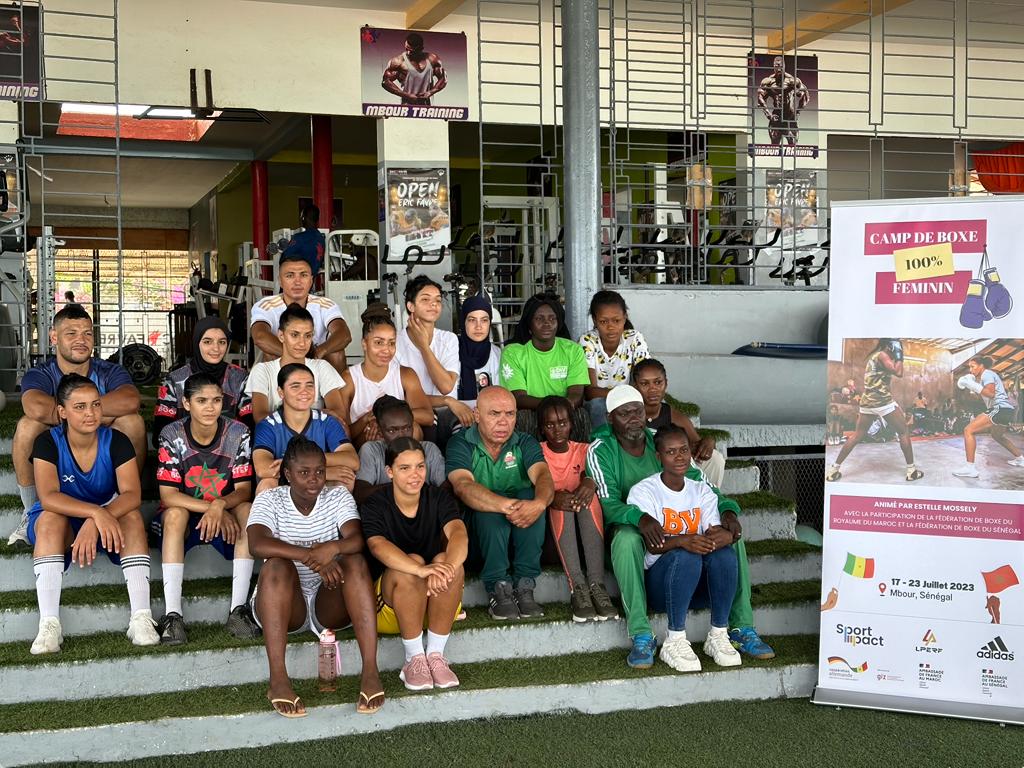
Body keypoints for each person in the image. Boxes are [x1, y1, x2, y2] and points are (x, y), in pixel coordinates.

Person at [586, 385, 774, 668]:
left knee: (731, 537)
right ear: (611, 418)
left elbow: (704, 486)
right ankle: (641, 634)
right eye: (624, 414)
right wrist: (639, 518)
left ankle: (740, 626)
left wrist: (728, 512)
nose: (634, 418)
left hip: (676, 532)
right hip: (633, 529)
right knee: (627, 539)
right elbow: (607, 503)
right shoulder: (601, 450)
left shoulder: (662, 441)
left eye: (638, 411)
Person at [247, 437, 383, 717]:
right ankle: (278, 680)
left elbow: (357, 539)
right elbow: (257, 544)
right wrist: (311, 556)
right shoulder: (270, 499)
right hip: (286, 604)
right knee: (276, 566)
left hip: (327, 599)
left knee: (355, 562)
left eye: (320, 471)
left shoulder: (337, 495)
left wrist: (332, 549)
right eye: (304, 472)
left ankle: (370, 672)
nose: (314, 479)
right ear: (287, 474)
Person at [26, 373, 159, 654]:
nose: (91, 413)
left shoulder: (116, 440)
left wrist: (97, 517)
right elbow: (48, 496)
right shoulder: (47, 442)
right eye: (80, 407)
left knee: (133, 516)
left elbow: (132, 494)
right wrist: (95, 514)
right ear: (62, 412)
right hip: (63, 517)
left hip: (107, 516)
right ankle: (49, 624)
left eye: (96, 404)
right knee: (49, 519)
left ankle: (141, 617)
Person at [9, 304, 146, 548]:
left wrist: (83, 413)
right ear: (54, 338)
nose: (81, 340)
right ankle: (30, 511)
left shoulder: (109, 371)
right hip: (60, 456)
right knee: (28, 426)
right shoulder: (41, 373)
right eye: (71, 333)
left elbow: (130, 400)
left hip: (101, 456)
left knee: (132, 421)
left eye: (87, 333)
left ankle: (120, 502)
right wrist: (89, 416)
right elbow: (36, 408)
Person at [627, 425, 741, 672]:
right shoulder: (644, 491)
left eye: (684, 450)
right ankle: (675, 640)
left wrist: (724, 536)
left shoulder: (700, 489)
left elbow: (712, 533)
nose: (679, 457)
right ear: (659, 456)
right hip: (661, 586)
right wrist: (682, 540)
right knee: (685, 554)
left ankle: (718, 635)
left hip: (696, 585)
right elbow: (653, 545)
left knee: (724, 554)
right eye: (671, 452)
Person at [154, 373, 258, 645]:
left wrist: (221, 505)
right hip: (187, 509)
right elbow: (168, 495)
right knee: (174, 515)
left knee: (247, 510)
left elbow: (244, 490)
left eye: (216, 400)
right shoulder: (171, 433)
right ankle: (173, 615)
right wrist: (213, 507)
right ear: (186, 404)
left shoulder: (238, 432)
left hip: (225, 508)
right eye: (201, 401)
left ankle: (238, 610)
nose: (210, 407)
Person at [363, 437, 467, 691]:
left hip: (436, 604)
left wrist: (446, 569)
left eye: (420, 466)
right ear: (389, 472)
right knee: (412, 563)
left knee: (447, 561)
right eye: (405, 468)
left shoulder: (438, 497)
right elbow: (378, 546)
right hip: (391, 608)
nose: (415, 474)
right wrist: (421, 570)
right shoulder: (376, 503)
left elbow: (458, 534)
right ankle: (414, 658)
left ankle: (435, 655)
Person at [446, 386, 554, 620]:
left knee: (531, 497)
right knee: (488, 506)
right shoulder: (461, 443)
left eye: (510, 414)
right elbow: (462, 485)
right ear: (477, 415)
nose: (503, 422)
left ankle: (524, 585)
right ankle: (498, 588)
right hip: (480, 538)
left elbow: (543, 476)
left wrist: (538, 504)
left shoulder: (524, 441)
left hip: (521, 535)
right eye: (494, 414)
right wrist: (507, 506)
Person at [536, 395, 617, 622]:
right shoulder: (537, 452)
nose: (557, 430)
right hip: (553, 535)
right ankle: (578, 588)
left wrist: (590, 482)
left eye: (563, 423)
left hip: (586, 530)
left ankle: (597, 586)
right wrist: (553, 497)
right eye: (550, 425)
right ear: (542, 428)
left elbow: (601, 476)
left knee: (587, 498)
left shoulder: (585, 450)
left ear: (572, 424)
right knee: (562, 501)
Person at [826, 339, 924, 483]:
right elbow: (899, 372)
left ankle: (834, 469)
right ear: (890, 346)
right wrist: (899, 354)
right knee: (903, 432)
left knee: (857, 435)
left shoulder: (876, 357)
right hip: (882, 401)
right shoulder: (883, 355)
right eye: (896, 347)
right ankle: (912, 471)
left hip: (867, 402)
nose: (897, 350)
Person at [252, 364, 359, 494]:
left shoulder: (326, 421)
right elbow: (263, 468)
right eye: (295, 386)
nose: (304, 391)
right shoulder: (268, 425)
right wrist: (323, 471)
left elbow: (352, 460)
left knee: (345, 479)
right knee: (267, 484)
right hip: (285, 485)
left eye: (309, 385)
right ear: (281, 392)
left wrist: (290, 464)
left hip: (314, 486)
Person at [499, 293, 590, 439]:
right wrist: (550, 406)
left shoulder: (573, 350)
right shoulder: (513, 353)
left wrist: (558, 409)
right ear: (529, 324)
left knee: (581, 415)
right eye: (539, 319)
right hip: (532, 411)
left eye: (552, 318)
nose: (546, 323)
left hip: (563, 412)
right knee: (523, 417)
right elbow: (518, 397)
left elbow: (576, 394)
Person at [153, 316, 252, 446]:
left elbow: (250, 425)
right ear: (196, 342)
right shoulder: (174, 380)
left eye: (222, 342)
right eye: (207, 342)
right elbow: (161, 432)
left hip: (231, 449)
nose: (216, 348)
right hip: (183, 451)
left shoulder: (240, 378)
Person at [338, 312, 433, 446]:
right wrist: (367, 420)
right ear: (364, 344)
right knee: (376, 434)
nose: (386, 350)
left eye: (391, 343)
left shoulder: (405, 375)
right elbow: (343, 432)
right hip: (365, 444)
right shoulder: (349, 379)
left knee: (413, 428)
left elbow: (428, 416)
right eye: (378, 342)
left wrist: (386, 419)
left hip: (401, 445)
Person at [395, 275, 474, 435]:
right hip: (417, 413)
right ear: (411, 306)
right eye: (425, 299)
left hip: (449, 412)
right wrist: (446, 400)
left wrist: (424, 347)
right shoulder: (395, 343)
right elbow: (402, 398)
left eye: (438, 300)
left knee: (468, 429)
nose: (433, 304)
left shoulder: (449, 339)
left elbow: (446, 386)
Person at [250, 252, 352, 374]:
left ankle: (337, 387)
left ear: (311, 280)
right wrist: (295, 356)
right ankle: (278, 387)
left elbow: (344, 335)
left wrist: (319, 352)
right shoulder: (266, 305)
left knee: (336, 353)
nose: (297, 282)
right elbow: (260, 337)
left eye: (303, 275)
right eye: (290, 276)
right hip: (284, 363)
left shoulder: (324, 304)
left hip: (317, 360)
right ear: (280, 281)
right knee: (270, 353)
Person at [245, 303, 345, 425]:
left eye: (308, 336)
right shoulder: (263, 370)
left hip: (315, 435)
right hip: (277, 435)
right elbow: (260, 417)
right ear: (281, 336)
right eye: (294, 335)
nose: (302, 343)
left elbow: (339, 413)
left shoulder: (321, 367)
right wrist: (316, 415)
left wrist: (286, 417)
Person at [631, 358, 726, 486]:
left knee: (715, 459)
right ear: (635, 387)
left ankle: (710, 496)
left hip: (672, 471)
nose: (653, 389)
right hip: (640, 472)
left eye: (658, 382)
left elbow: (699, 448)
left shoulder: (675, 417)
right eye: (645, 384)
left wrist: (709, 442)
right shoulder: (628, 415)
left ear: (666, 383)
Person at [353, 396, 447, 504]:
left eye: (407, 428)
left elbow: (447, 491)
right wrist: (407, 485)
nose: (401, 436)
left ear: (413, 425)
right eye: (392, 431)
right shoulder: (371, 450)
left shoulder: (429, 450)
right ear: (380, 430)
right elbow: (360, 494)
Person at [579, 290, 650, 427]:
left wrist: (626, 397)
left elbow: (644, 379)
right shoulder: (588, 341)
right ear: (594, 320)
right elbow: (590, 392)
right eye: (603, 321)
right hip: (602, 402)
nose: (610, 327)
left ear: (625, 318)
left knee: (653, 403)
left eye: (616, 320)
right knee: (597, 406)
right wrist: (624, 395)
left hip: (629, 400)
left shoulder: (634, 339)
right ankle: (603, 440)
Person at [953, 355, 1024, 478]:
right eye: (970, 367)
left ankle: (970, 468)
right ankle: (1020, 459)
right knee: (997, 435)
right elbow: (984, 395)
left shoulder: (987, 374)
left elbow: (991, 394)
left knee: (968, 430)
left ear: (981, 365)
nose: (971, 370)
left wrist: (972, 385)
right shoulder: (985, 378)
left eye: (973, 366)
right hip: (1006, 410)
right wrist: (971, 386)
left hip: (1000, 408)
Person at [456, 294, 502, 409]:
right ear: (463, 322)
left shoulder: (497, 355)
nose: (478, 327)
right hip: (455, 415)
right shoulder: (451, 352)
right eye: (472, 320)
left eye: (484, 320)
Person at [381, 32, 447, 107]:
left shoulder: (432, 59)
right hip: (406, 106)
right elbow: (385, 82)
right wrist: (407, 95)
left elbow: (443, 78)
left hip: (427, 106)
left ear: (421, 49)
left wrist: (430, 92)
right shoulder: (398, 62)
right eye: (407, 49)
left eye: (412, 51)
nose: (408, 52)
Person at [756, 55, 810, 146]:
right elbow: (760, 98)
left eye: (780, 66)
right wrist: (768, 115)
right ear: (773, 66)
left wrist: (797, 112)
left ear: (784, 66)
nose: (779, 69)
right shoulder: (768, 82)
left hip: (790, 117)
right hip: (776, 117)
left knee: (793, 147)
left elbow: (805, 96)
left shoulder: (792, 81)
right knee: (775, 146)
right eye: (776, 66)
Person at [280, 205, 326, 277]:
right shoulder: (321, 238)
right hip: (310, 279)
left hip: (297, 279)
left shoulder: (299, 237)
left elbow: (284, 258)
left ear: (304, 218)